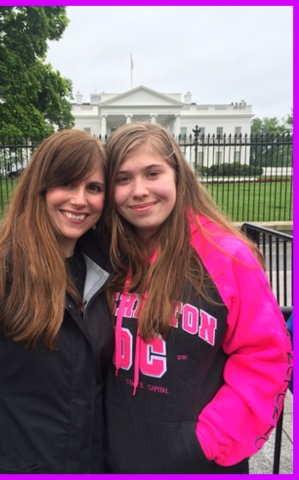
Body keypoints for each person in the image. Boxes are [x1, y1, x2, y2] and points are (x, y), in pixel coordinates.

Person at [103, 121, 293, 474]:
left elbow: (266, 358)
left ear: (178, 175)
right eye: (123, 178)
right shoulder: (108, 257)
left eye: (152, 173)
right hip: (115, 457)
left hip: (198, 462)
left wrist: (205, 442)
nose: (139, 190)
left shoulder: (228, 256)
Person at [0, 129, 114, 473]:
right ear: (41, 186)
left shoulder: (105, 270)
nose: (80, 200)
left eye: (93, 188)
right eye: (67, 183)